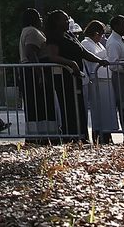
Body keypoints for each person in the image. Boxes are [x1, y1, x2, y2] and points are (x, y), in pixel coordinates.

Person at [43, 10, 101, 141]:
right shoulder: (54, 37)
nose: (67, 21)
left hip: (77, 78)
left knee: (80, 107)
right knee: (69, 107)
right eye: (64, 19)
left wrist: (99, 60)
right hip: (64, 79)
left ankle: (82, 136)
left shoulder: (69, 34)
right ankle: (71, 136)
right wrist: (71, 64)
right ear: (57, 22)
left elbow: (83, 52)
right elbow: (53, 56)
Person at [18, 8, 57, 139]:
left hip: (32, 69)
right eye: (39, 17)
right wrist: (39, 72)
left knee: (38, 103)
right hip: (33, 70)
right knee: (38, 102)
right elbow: (30, 52)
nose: (41, 19)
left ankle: (41, 133)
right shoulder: (32, 31)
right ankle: (39, 135)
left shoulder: (29, 31)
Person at [80, 21, 118, 143]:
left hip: (105, 79)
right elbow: (94, 58)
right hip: (97, 79)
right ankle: (99, 134)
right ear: (96, 33)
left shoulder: (98, 44)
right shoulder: (86, 43)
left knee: (107, 109)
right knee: (99, 109)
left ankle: (107, 134)